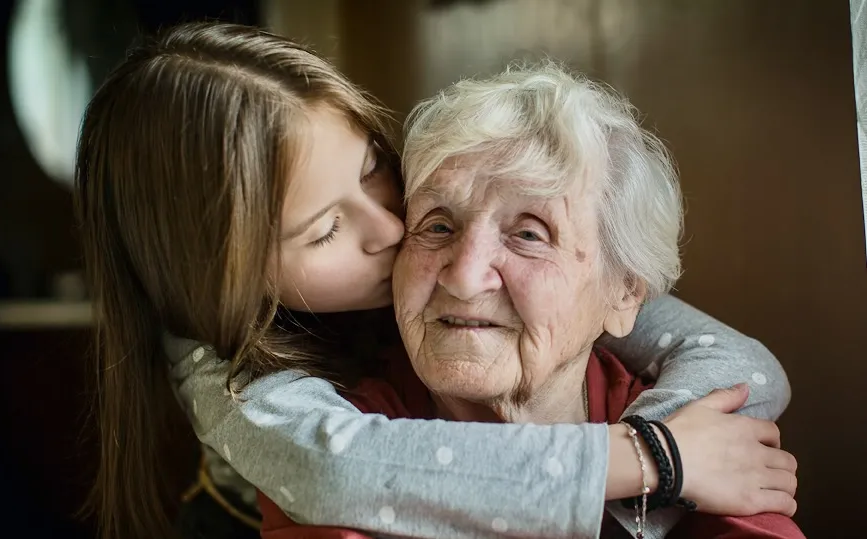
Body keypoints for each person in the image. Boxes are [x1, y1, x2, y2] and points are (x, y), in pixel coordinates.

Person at [75, 22, 794, 539]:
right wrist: (651, 460)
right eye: (324, 229)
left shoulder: (590, 291)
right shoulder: (229, 375)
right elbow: (339, 474)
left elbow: (743, 367)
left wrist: (669, 461)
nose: (393, 231)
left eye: (373, 172)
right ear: (225, 279)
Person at [256, 61, 803, 538]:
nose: (466, 278)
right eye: (438, 225)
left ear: (624, 292)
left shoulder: (706, 440)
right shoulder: (338, 436)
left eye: (529, 235)